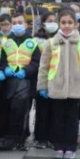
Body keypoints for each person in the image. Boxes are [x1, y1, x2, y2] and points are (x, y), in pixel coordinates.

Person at [37, 9, 80, 159]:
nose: (67, 25)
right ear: (58, 23)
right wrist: (42, 86)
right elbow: (44, 66)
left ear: (75, 24)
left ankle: (70, 147)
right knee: (57, 119)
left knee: (72, 120)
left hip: (76, 88)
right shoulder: (51, 43)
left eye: (70, 22)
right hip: (56, 88)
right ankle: (58, 146)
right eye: (63, 22)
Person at [0, 12, 40, 150]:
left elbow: (36, 62)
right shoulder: (6, 42)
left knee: (21, 111)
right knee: (8, 110)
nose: (17, 26)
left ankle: (20, 139)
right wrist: (3, 69)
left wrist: (26, 71)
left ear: (26, 25)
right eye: (14, 23)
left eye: (20, 23)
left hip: (25, 80)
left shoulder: (32, 42)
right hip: (9, 82)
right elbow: (1, 60)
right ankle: (8, 138)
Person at [31, 12, 59, 148]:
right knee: (42, 111)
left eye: (55, 20)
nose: (53, 23)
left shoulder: (61, 38)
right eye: (50, 20)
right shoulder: (36, 40)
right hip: (41, 78)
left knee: (55, 111)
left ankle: (53, 137)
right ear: (43, 24)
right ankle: (40, 138)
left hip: (56, 79)